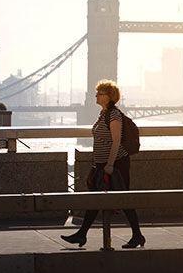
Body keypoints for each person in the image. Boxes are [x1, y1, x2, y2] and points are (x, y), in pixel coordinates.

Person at [61, 79, 145, 249]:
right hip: (102, 164)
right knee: (95, 199)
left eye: (100, 93)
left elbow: (116, 141)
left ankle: (137, 235)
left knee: (123, 199)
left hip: (115, 164)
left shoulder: (113, 115)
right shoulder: (103, 113)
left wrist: (109, 165)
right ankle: (82, 234)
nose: (96, 95)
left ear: (109, 97)